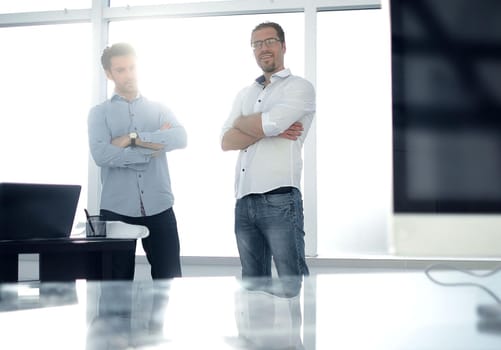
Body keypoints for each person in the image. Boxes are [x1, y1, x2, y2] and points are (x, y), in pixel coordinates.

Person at [221, 22, 316, 297]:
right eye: (257, 43)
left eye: (270, 41)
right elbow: (226, 141)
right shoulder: (245, 93)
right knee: (252, 288)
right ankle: (257, 341)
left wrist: (247, 126)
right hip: (243, 199)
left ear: (283, 46)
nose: (263, 48)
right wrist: (261, 127)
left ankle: (299, 341)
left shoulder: (300, 88)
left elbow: (268, 125)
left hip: (280, 199)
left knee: (291, 284)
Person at [88, 43, 187, 280]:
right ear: (109, 74)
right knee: (115, 287)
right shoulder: (99, 113)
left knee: (169, 283)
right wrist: (151, 149)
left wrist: (132, 139)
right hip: (116, 210)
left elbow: (180, 138)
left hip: (160, 206)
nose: (128, 74)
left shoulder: (160, 108)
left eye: (132, 67)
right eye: (121, 70)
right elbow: (101, 155)